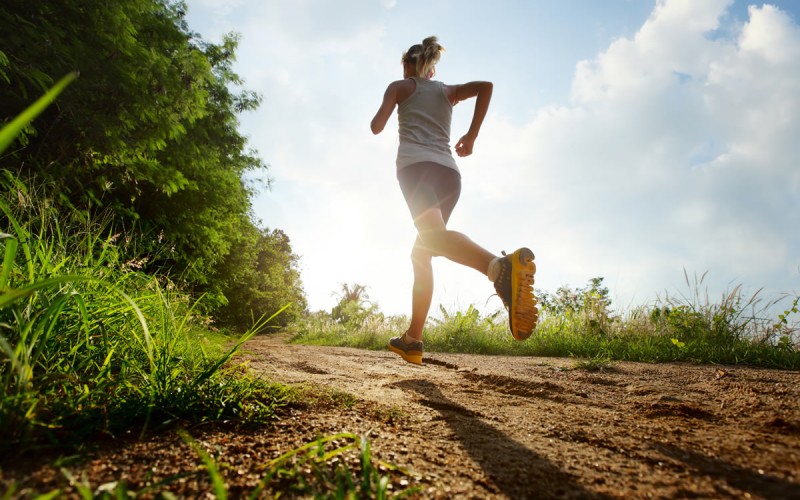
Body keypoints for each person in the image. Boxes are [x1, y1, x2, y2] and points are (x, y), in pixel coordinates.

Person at [370, 36, 538, 365]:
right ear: (431, 70)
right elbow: (485, 87)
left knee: (431, 240)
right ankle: (413, 339)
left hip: (416, 169)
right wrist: (471, 135)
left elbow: (377, 127)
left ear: (408, 67)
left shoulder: (399, 87)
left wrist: (392, 100)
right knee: (423, 251)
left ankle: (499, 268)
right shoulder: (447, 91)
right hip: (449, 174)